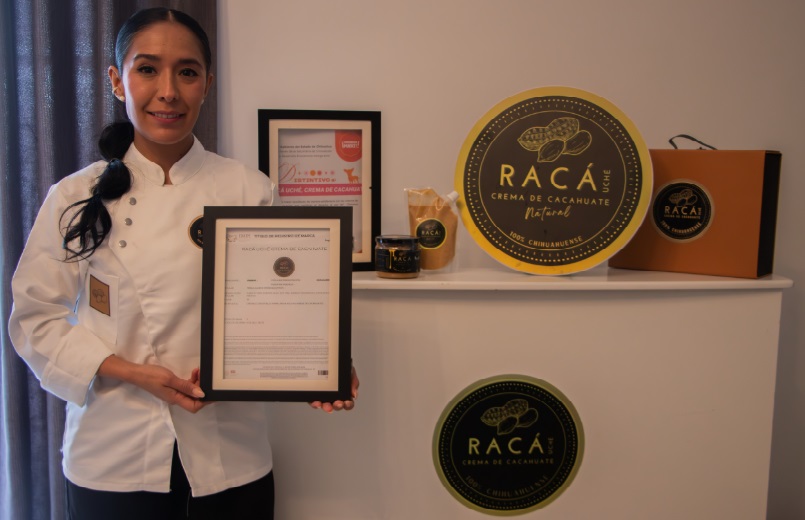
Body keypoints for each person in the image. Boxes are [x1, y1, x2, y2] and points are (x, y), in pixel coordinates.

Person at [8, 7, 358, 520]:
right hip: (114, 451)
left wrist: (323, 368)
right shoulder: (75, 196)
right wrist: (132, 373)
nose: (168, 91)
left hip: (230, 455)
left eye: (187, 72)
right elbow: (35, 318)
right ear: (117, 81)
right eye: (148, 69)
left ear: (206, 84)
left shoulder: (247, 188)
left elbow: (283, 307)